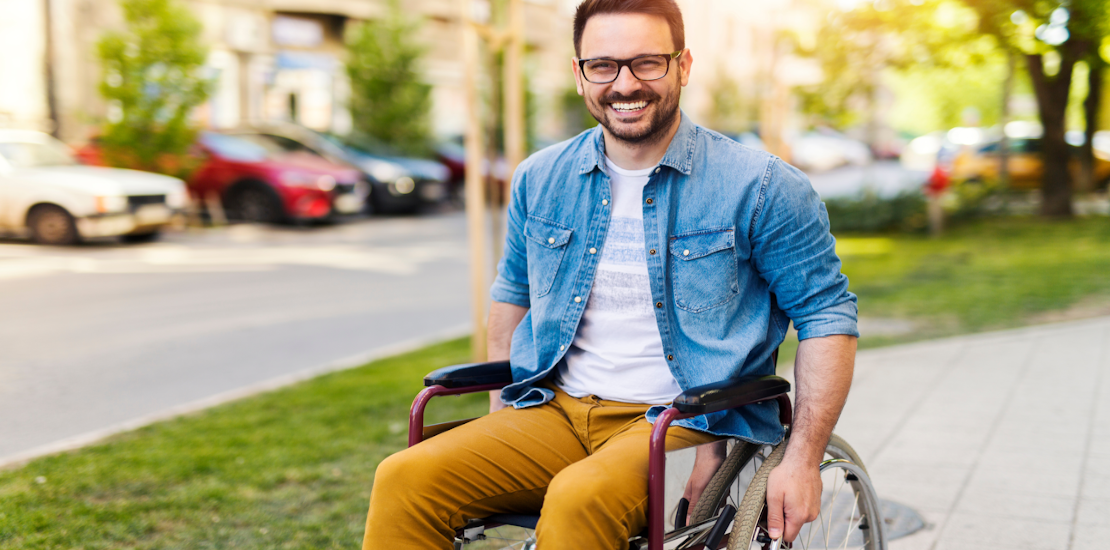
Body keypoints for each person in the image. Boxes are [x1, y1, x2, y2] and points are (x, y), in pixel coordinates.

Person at [362, 0, 858, 547]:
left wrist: (803, 457)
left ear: (683, 66)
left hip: (690, 424)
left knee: (579, 498)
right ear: (579, 75)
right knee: (404, 477)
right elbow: (512, 296)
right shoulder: (541, 177)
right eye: (603, 66)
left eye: (647, 63)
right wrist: (500, 417)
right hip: (557, 410)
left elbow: (826, 315)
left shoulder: (760, 186)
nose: (625, 84)